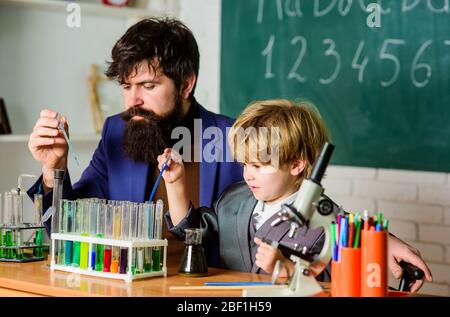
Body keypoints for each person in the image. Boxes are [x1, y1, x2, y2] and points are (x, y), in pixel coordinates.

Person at [158, 99, 432, 292]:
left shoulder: (325, 219)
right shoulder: (233, 199)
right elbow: (194, 232)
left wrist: (286, 268)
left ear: (296, 164)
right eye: (243, 164)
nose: (247, 174)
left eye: (258, 165)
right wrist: (176, 184)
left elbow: (333, 285)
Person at [26, 18, 242, 256]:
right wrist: (53, 169)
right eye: (126, 87)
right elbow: (68, 231)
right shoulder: (117, 132)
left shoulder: (235, 139)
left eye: (148, 86)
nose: (133, 101)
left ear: (185, 85)